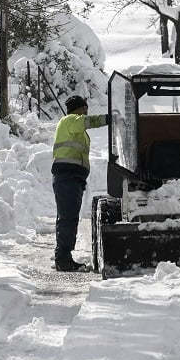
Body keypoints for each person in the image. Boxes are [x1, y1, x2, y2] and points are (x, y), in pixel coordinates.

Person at [51, 94, 109, 272]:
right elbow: (88, 122)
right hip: (67, 176)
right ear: (78, 109)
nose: (86, 111)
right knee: (68, 217)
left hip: (72, 177)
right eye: (84, 108)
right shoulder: (70, 120)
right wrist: (109, 119)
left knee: (69, 217)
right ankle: (63, 258)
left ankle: (63, 256)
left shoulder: (75, 128)